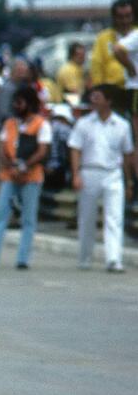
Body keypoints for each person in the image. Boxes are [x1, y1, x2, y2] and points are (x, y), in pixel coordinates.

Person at [0, 86, 49, 270]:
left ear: (29, 104)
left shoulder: (41, 124)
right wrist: (10, 165)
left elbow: (42, 151)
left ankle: (23, 259)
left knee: (28, 219)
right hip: (10, 175)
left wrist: (24, 166)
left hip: (31, 176)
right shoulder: (10, 124)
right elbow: (1, 147)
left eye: (20, 102)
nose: (16, 105)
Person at [68, 85, 135, 272]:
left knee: (114, 218)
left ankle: (113, 259)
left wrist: (128, 181)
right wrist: (76, 174)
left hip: (113, 174)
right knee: (87, 218)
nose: (93, 101)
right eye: (92, 97)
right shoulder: (84, 123)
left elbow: (127, 154)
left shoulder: (121, 125)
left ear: (108, 101)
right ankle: (85, 257)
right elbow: (75, 149)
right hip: (89, 171)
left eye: (97, 97)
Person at [91, 0, 134, 113]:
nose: (125, 21)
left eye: (128, 16)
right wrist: (99, 94)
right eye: (121, 17)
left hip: (135, 91)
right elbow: (96, 67)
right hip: (112, 94)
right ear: (114, 18)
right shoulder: (103, 38)